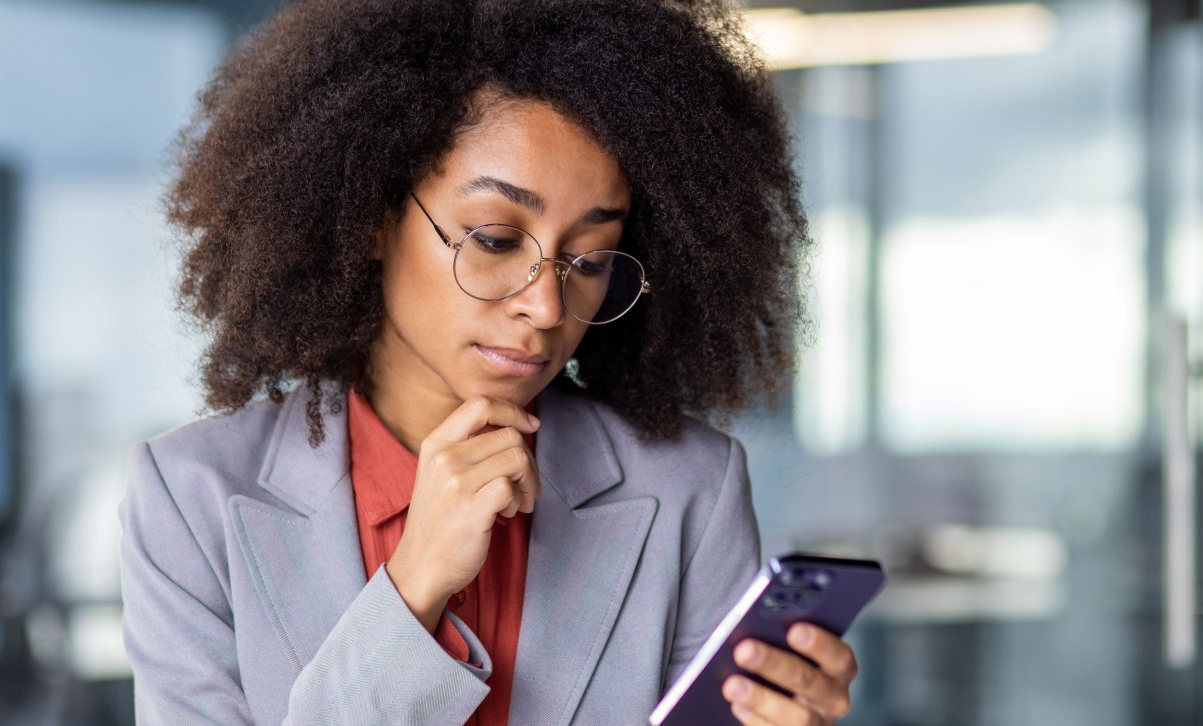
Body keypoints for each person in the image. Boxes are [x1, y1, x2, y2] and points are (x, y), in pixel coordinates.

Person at [117, 0, 861, 723]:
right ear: (375, 216)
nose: (545, 306)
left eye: (591, 258)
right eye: (498, 240)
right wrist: (412, 589)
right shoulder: (191, 500)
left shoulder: (688, 492)